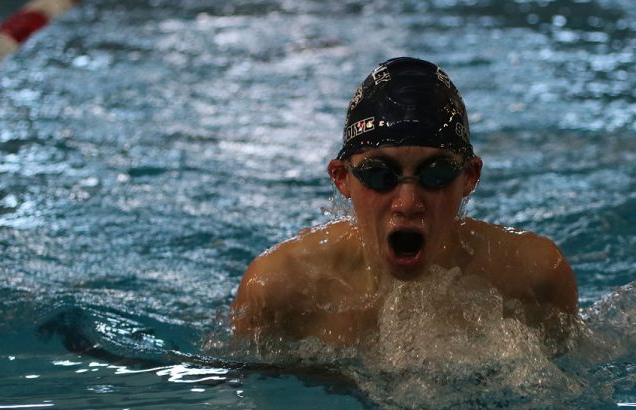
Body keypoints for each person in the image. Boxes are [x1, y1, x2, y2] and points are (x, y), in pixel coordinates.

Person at [230, 57, 577, 347]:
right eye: (381, 175)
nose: (408, 203)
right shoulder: (278, 289)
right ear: (342, 178)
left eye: (436, 174)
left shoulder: (536, 277)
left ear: (470, 176)